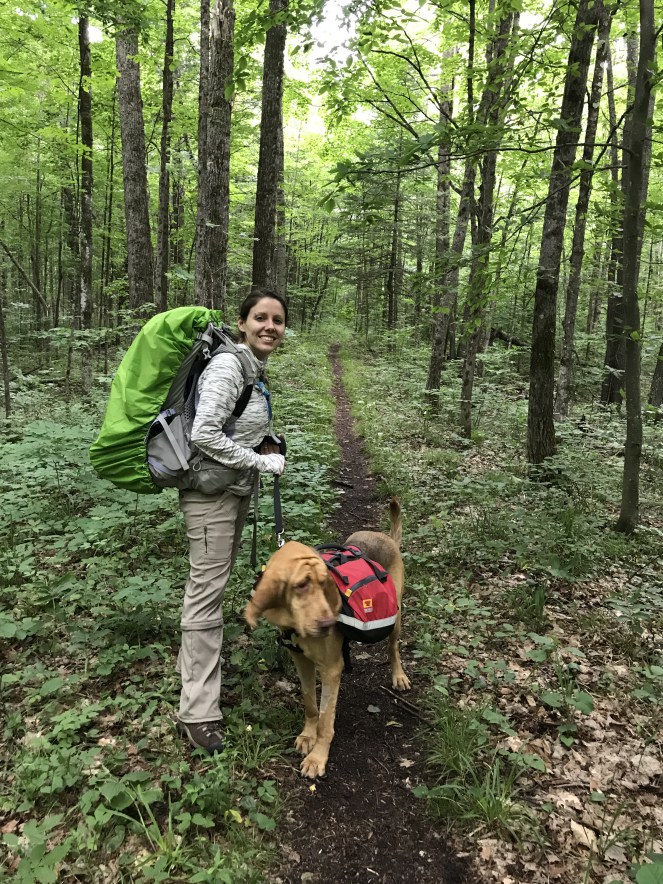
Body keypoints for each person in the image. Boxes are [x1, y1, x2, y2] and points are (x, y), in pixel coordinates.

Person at [175, 289, 288, 754]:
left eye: (278, 320)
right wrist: (261, 463)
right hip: (212, 499)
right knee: (205, 596)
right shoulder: (228, 366)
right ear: (242, 323)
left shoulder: (252, 370)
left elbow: (231, 427)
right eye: (260, 318)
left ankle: (201, 690)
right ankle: (198, 712)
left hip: (231, 492)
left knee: (212, 590)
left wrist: (263, 445)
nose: (270, 326)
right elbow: (204, 434)